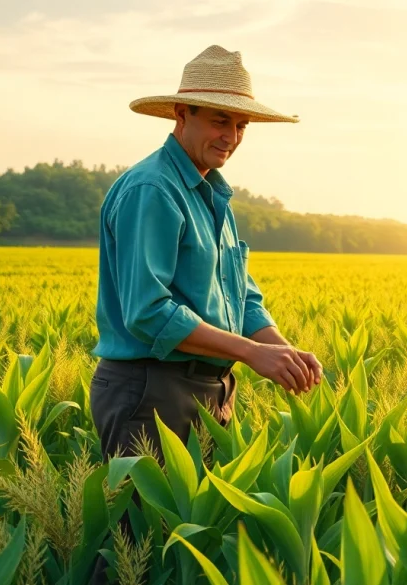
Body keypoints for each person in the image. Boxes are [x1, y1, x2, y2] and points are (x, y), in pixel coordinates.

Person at [88, 45, 321, 583]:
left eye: (241, 125)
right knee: (134, 555)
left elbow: (242, 297)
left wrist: (281, 349)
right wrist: (252, 353)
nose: (231, 136)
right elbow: (149, 312)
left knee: (187, 551)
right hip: (151, 390)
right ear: (181, 113)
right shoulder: (154, 189)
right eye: (220, 120)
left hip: (209, 392)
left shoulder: (212, 194)